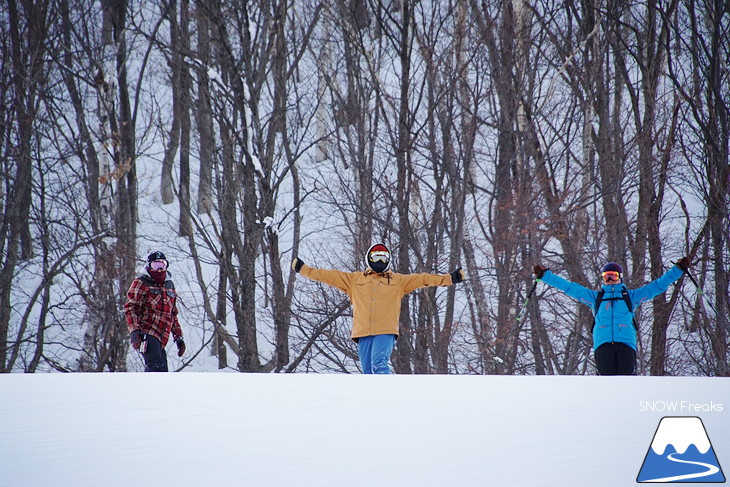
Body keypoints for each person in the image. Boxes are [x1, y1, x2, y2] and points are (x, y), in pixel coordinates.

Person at [292, 243, 465, 374]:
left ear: (388, 260)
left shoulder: (398, 281)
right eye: (376, 257)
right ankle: (373, 407)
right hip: (362, 332)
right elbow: (326, 275)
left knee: (379, 364)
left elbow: (424, 279)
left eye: (384, 257)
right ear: (369, 259)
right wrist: (303, 269)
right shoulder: (354, 280)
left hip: (385, 330)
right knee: (367, 372)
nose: (380, 260)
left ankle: (387, 397)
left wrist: (450, 278)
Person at [533, 257, 690, 375]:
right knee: (607, 383)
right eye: (606, 276)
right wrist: (545, 275)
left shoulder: (631, 296)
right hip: (603, 344)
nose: (609, 280)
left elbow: (656, 286)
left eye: (613, 276)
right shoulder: (596, 298)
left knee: (625, 382)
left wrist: (678, 270)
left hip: (626, 344)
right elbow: (569, 288)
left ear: (619, 278)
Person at [124, 251, 186, 372]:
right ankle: (152, 388)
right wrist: (135, 331)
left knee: (163, 369)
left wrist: (178, 337)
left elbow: (172, 314)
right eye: (155, 266)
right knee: (155, 366)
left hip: (163, 336)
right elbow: (131, 308)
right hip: (147, 332)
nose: (159, 270)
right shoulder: (141, 283)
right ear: (148, 266)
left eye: (162, 265)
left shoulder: (169, 285)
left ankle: (158, 390)